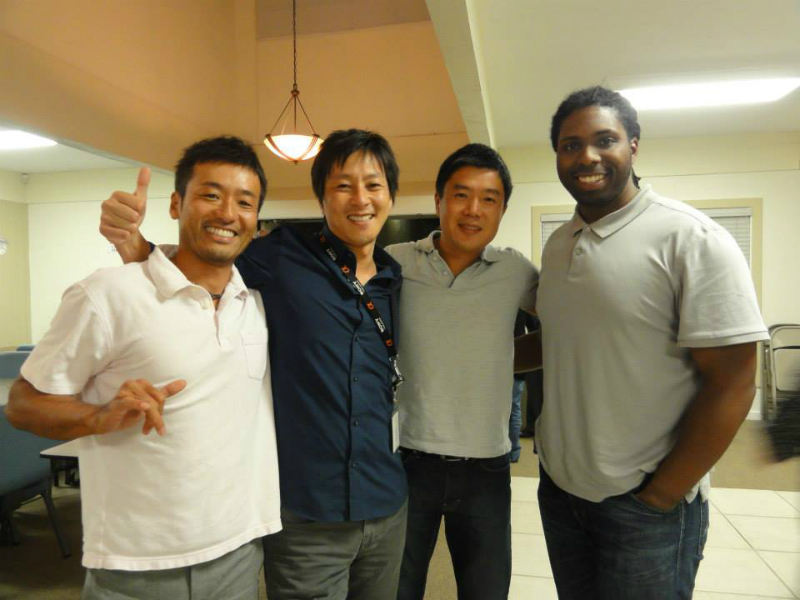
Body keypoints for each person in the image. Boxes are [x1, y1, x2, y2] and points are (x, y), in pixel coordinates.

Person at [100, 129, 408, 600]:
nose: (360, 199)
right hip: (307, 510)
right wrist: (134, 244)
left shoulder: (394, 278)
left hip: (386, 503)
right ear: (322, 196)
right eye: (343, 186)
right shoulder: (281, 255)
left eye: (373, 185)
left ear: (390, 195)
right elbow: (200, 265)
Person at [516, 86, 769, 599]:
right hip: (561, 492)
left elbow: (736, 381)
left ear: (633, 145)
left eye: (604, 140)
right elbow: (564, 340)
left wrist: (662, 495)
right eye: (570, 145)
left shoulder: (691, 238)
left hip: (644, 507)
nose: (587, 156)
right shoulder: (560, 243)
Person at [6, 136, 281, 600]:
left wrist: (138, 246)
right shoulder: (106, 294)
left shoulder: (254, 300)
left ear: (256, 220)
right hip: (137, 564)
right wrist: (97, 417)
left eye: (244, 202)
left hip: (238, 551)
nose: (227, 213)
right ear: (176, 204)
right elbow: (21, 404)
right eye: (210, 195)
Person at [387, 143, 539, 600]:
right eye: (461, 195)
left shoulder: (515, 271)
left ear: (502, 210)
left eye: (489, 199)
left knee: (486, 589)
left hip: (485, 466)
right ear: (438, 200)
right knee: (395, 588)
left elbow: (564, 329)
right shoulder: (395, 262)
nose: (473, 210)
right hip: (405, 460)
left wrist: (500, 357)